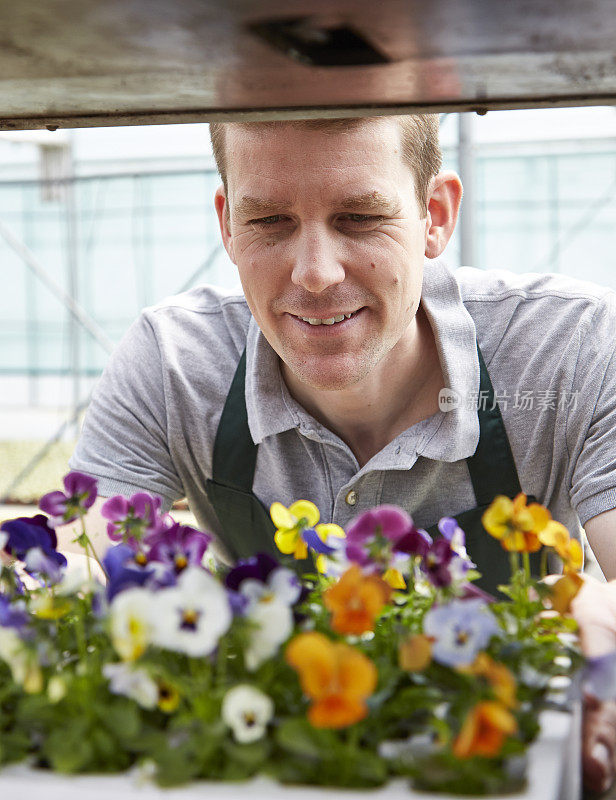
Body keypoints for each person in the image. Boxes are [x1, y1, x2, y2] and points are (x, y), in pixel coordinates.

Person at [65, 115, 616, 791]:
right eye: (268, 222)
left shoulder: (570, 349)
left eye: (359, 216)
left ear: (434, 215)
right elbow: (75, 573)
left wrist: (601, 615)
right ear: (227, 227)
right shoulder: (175, 363)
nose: (316, 274)